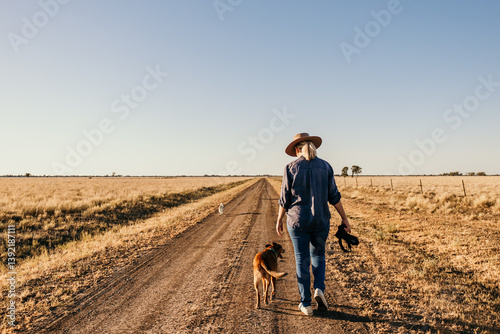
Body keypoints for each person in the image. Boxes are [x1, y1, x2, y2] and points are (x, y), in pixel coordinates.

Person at [276, 132, 351, 316]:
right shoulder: (325, 166)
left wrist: (279, 219)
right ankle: (319, 289)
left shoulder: (290, 168)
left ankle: (306, 303)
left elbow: (285, 199)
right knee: (318, 255)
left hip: (297, 221)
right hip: (320, 220)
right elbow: (334, 196)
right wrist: (344, 218)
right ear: (313, 147)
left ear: (297, 150)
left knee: (302, 259)